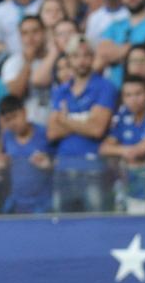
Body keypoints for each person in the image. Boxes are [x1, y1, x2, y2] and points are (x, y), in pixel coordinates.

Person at [47, 36, 116, 213]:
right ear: (68, 59)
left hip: (93, 168)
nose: (81, 61)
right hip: (63, 167)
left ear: (93, 57)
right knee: (62, 227)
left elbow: (97, 129)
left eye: (86, 55)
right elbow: (52, 132)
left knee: (96, 224)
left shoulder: (105, 87)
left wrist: (65, 120)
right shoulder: (60, 90)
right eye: (76, 56)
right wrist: (85, 120)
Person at [100, 76, 145, 214]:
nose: (133, 99)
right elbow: (104, 148)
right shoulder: (122, 117)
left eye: (138, 93)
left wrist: (124, 151)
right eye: (128, 95)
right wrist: (126, 151)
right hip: (130, 191)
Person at [0, 94, 53, 215]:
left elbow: (58, 164)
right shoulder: (6, 136)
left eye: (14, 117)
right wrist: (0, 167)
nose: (12, 123)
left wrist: (49, 165)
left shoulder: (45, 133)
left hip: (43, 205)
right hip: (17, 205)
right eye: (7, 120)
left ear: (24, 112)